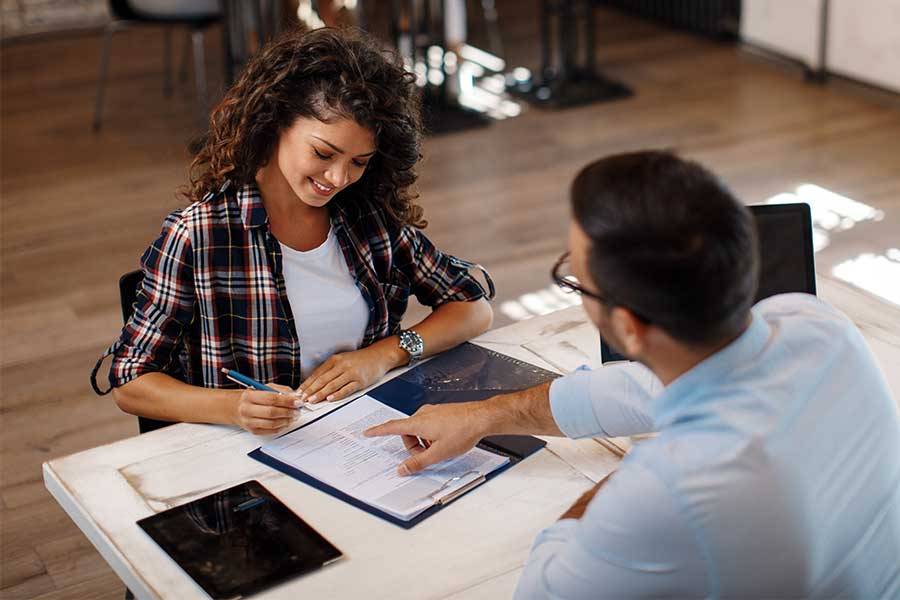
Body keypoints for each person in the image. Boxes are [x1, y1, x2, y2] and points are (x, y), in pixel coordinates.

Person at [365, 151, 900, 598]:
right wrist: (484, 415)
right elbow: (632, 389)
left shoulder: (669, 493)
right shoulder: (816, 325)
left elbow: (543, 591)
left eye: (575, 278)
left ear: (627, 325)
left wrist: (614, 490)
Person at [91, 27, 494, 435]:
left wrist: (385, 354)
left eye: (359, 162)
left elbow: (473, 309)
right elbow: (130, 380)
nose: (338, 178)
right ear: (276, 123)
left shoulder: (367, 219)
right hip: (250, 463)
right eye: (323, 153)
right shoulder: (198, 237)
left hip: (368, 441)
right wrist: (233, 408)